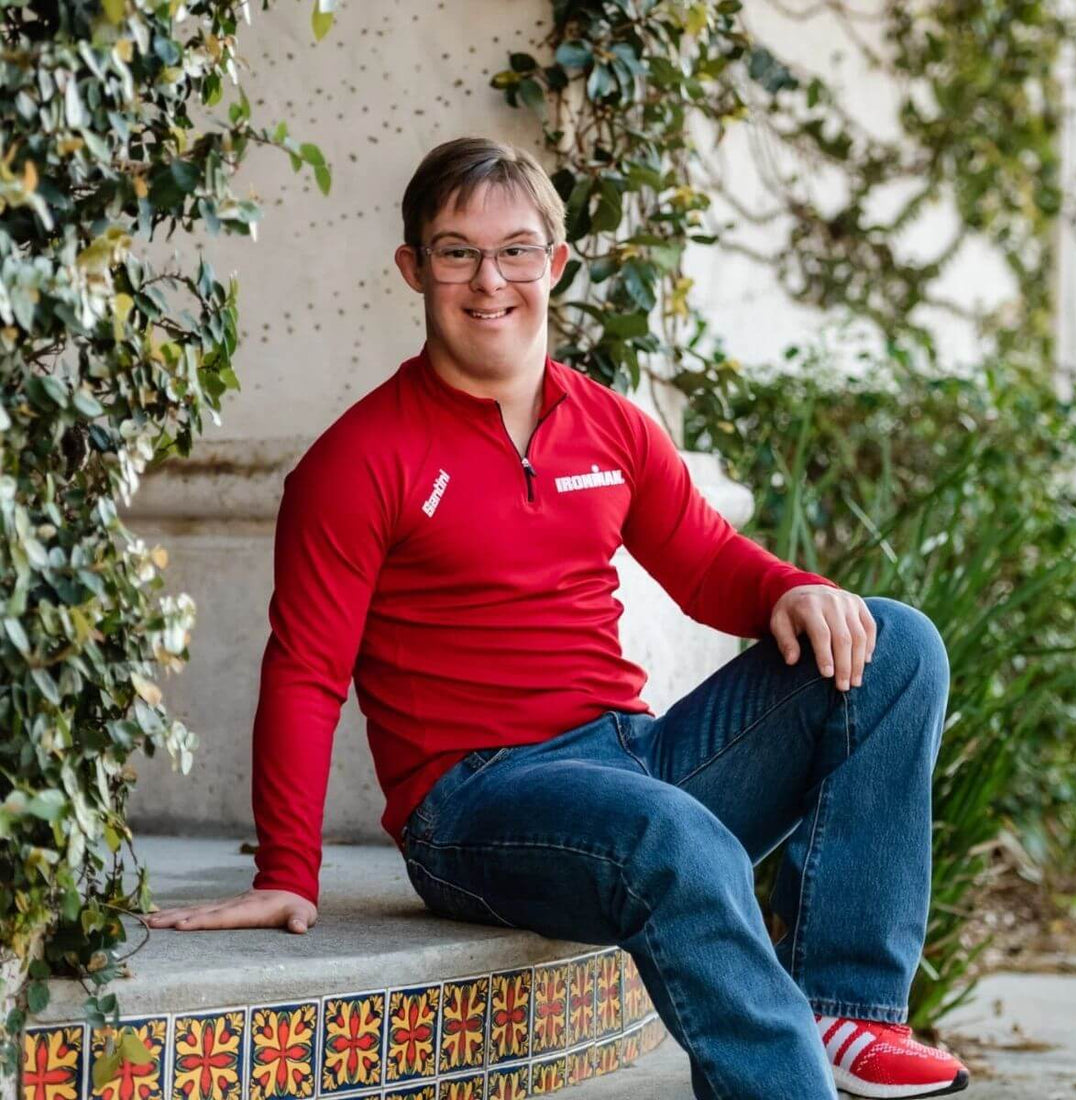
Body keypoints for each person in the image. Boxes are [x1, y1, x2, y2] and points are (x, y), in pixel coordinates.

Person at [147, 136, 970, 1099]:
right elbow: (305, 671)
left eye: (516, 250)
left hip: (629, 756)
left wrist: (794, 589)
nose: (489, 280)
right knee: (671, 832)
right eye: (456, 251)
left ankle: (844, 1008)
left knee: (896, 644)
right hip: (474, 805)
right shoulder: (360, 459)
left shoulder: (610, 425)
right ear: (414, 269)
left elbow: (705, 563)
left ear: (557, 263)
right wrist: (289, 868)